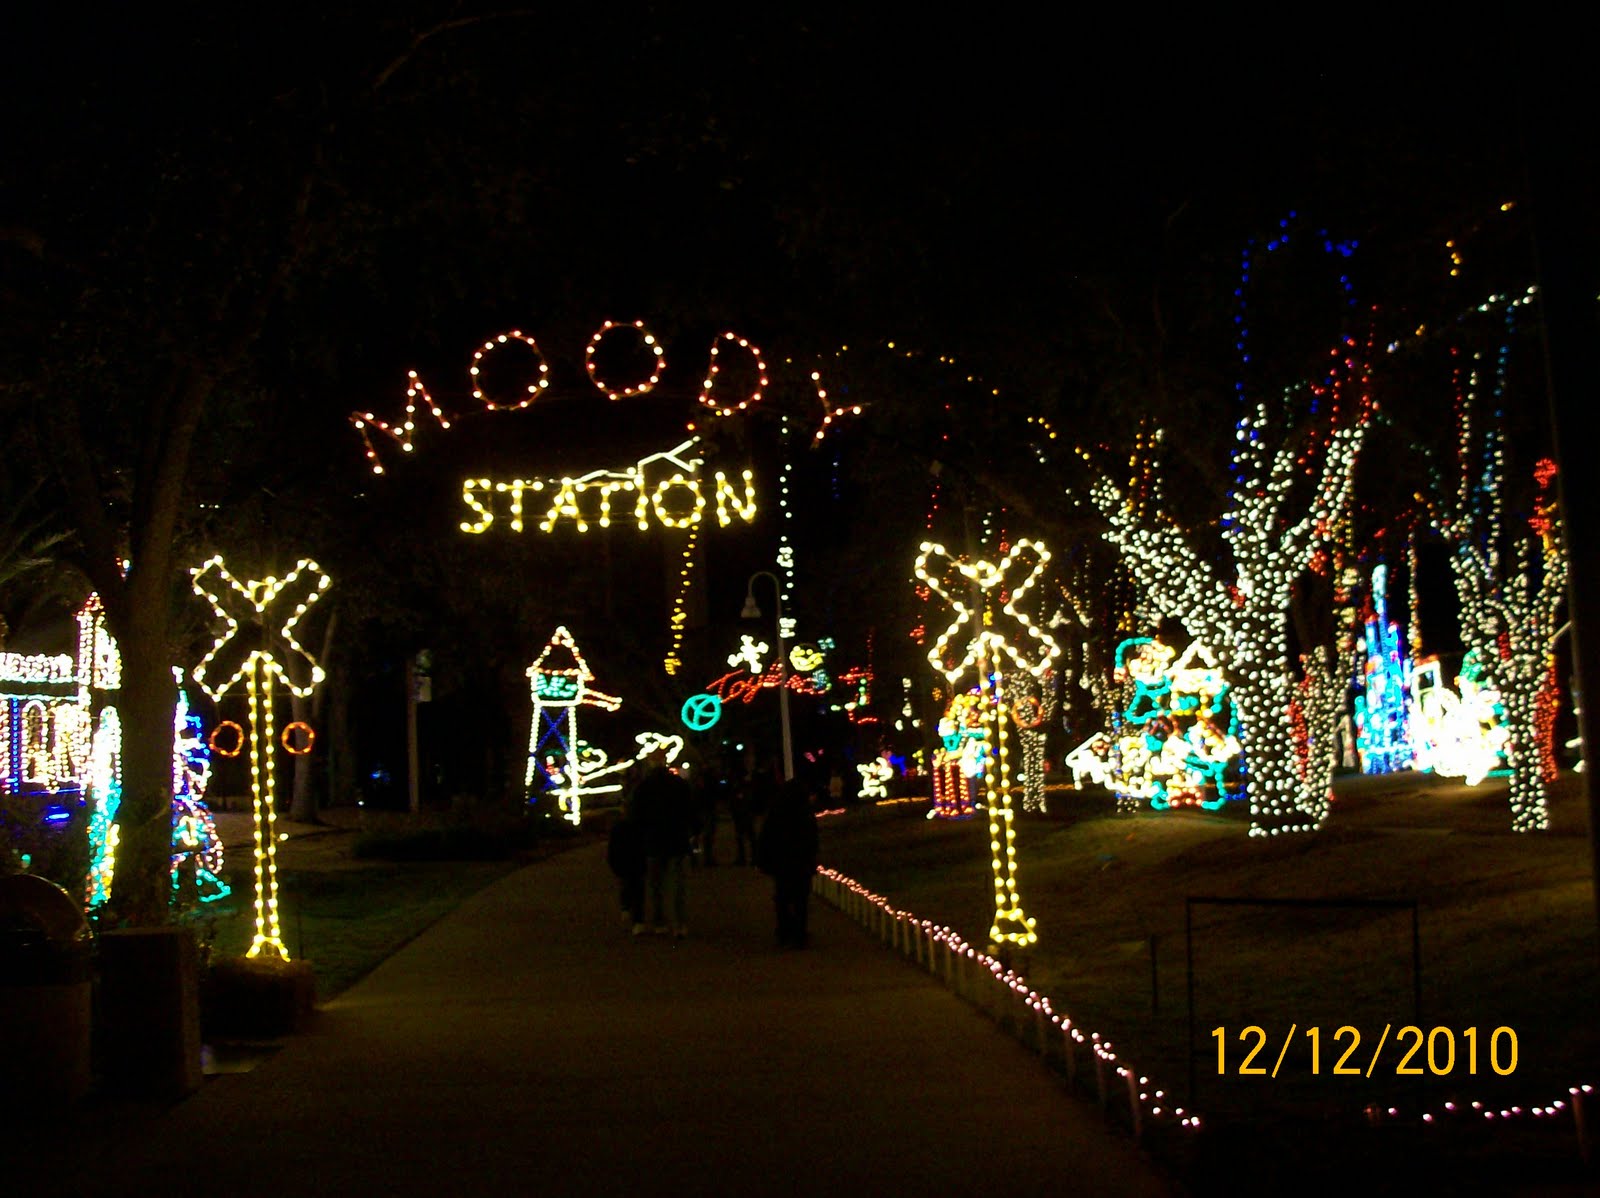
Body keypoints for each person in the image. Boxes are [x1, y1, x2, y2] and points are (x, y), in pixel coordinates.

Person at [629, 747, 698, 937]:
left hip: (654, 839)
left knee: (655, 884)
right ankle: (680, 923)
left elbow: (636, 815)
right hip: (677, 837)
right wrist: (692, 832)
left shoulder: (644, 786)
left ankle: (660, 922)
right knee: (678, 884)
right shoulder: (678, 784)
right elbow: (690, 809)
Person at [755, 776, 819, 948]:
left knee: (783, 898)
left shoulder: (777, 811)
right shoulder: (805, 813)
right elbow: (812, 839)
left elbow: (766, 837)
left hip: (782, 862)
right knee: (801, 899)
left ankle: (785, 931)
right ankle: (799, 933)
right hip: (800, 862)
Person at [605, 806, 647, 935]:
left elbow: (612, 850)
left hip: (626, 861)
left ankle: (627, 908)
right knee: (637, 889)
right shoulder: (640, 826)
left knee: (628, 885)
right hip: (635, 861)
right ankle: (637, 919)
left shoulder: (619, 828)